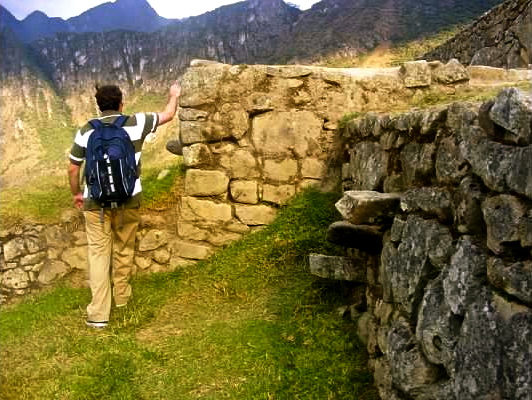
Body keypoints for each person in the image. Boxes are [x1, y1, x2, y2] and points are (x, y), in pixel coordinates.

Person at [68, 81, 181, 328]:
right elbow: (169, 115)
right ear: (121, 103)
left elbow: (73, 167)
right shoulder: (136, 122)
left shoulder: (86, 130)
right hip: (129, 199)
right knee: (123, 248)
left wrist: (77, 194)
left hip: (95, 202)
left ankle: (98, 315)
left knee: (98, 254)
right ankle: (122, 298)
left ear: (99, 106)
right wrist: (173, 94)